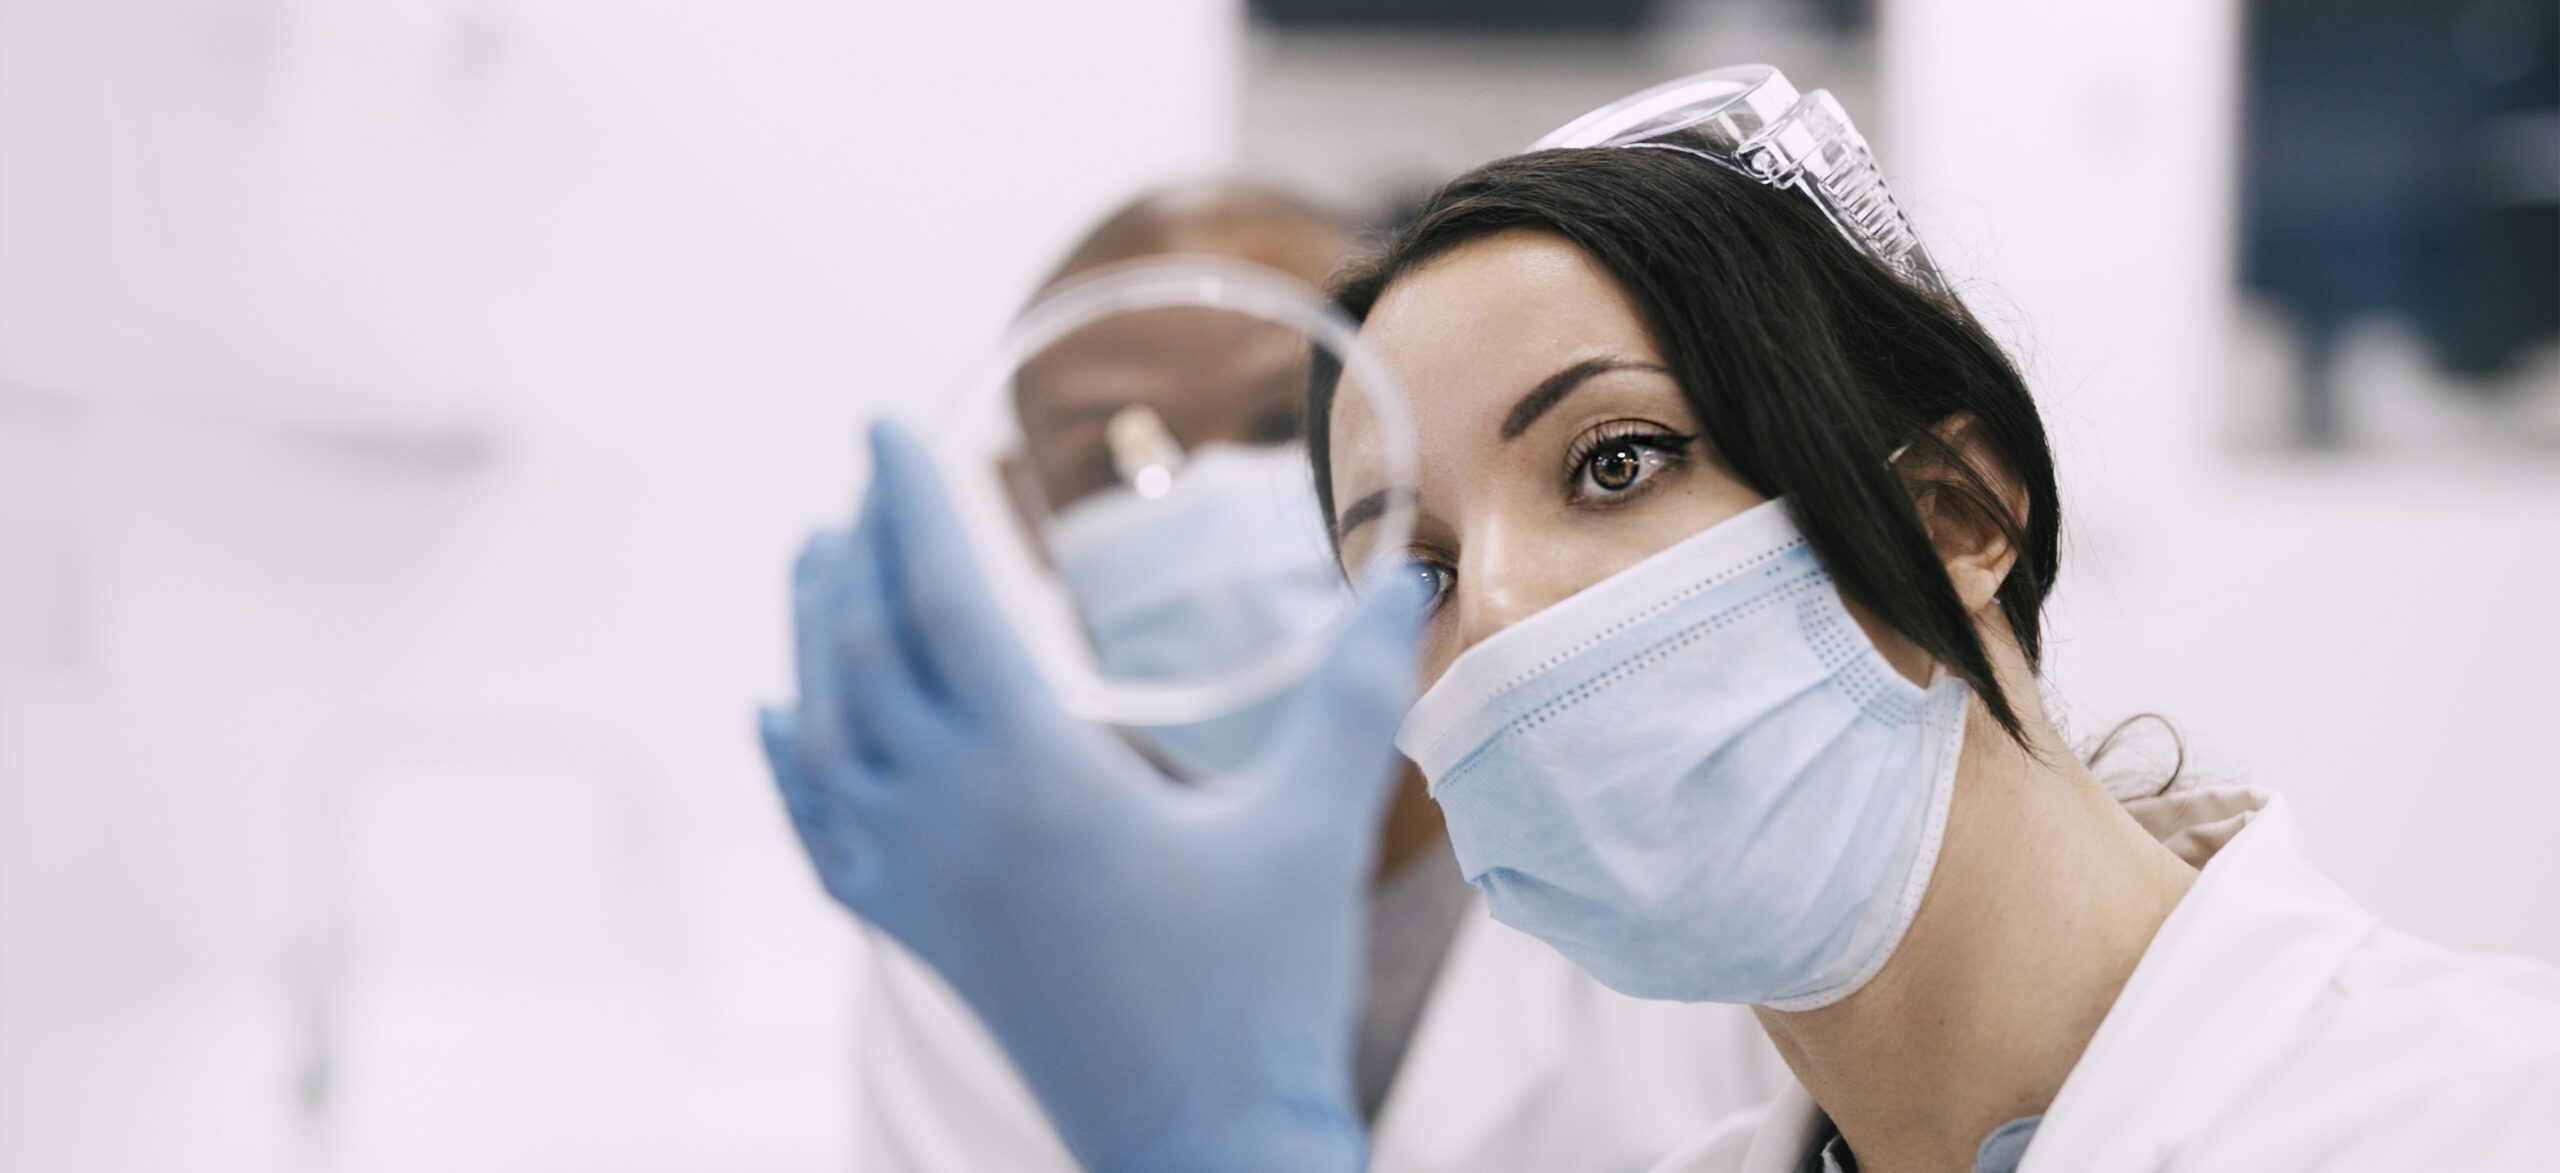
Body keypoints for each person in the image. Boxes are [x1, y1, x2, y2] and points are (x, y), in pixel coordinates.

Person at [765, 71, 2560, 1173]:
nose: (1510, 614)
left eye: (1615, 459)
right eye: (1414, 565)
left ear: (1957, 510)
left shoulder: (2486, 1112)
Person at [843, 180, 1784, 1173]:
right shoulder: (991, 920)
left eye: (1281, 427)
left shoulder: (1677, 825)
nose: (1207, 505)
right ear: (1027, 513)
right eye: (1116, 463)